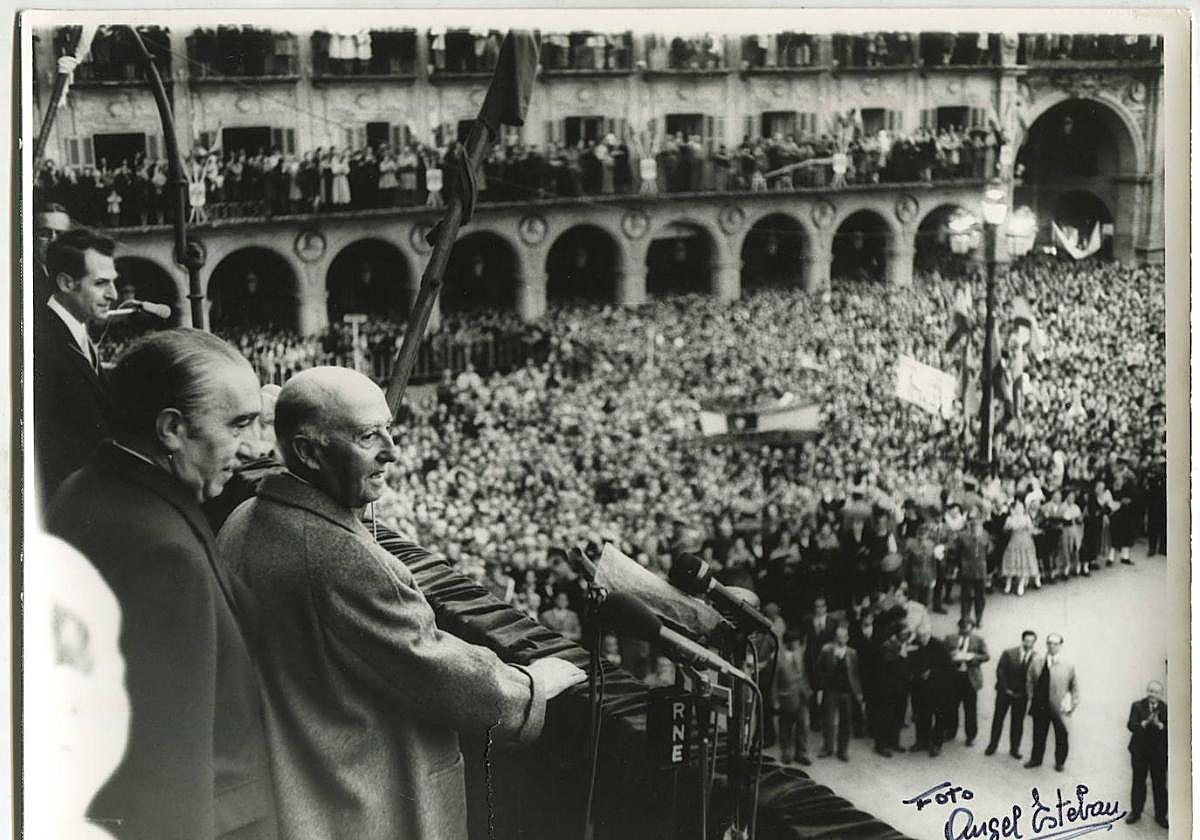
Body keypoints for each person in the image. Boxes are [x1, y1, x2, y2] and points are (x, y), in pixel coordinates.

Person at [216, 367, 585, 840]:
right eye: (368, 436)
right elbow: (440, 673)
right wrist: (533, 686)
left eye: (389, 430)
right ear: (307, 452)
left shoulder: (242, 519)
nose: (392, 451)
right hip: (354, 805)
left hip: (292, 793)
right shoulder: (343, 557)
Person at [45, 329, 279, 840]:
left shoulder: (92, 488)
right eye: (238, 424)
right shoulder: (162, 555)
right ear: (171, 428)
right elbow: (168, 771)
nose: (254, 448)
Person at [33, 228, 118, 508]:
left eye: (113, 282)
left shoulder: (73, 332)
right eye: (101, 283)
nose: (113, 294)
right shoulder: (40, 343)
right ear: (66, 283)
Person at [1025, 632, 1078, 771]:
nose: (1052, 646)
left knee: (1061, 734)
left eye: (1055, 644)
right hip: (1040, 705)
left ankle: (1060, 762)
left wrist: (1072, 705)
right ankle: (1036, 759)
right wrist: (1032, 697)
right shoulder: (1037, 661)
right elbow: (1029, 680)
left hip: (1058, 706)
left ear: (1060, 646)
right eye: (1049, 643)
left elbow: (1074, 686)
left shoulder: (1068, 665)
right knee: (1038, 734)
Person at [813, 623, 863, 761]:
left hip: (846, 692)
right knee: (828, 721)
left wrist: (858, 692)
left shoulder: (852, 653)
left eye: (844, 637)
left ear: (847, 638)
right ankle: (827, 748)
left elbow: (856, 674)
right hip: (830, 691)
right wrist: (821, 688)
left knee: (845, 721)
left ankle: (843, 750)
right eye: (839, 637)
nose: (841, 640)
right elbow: (818, 670)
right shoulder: (826, 650)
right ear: (835, 637)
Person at [986, 630, 1036, 759]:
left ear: (1034, 643)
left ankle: (1014, 748)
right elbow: (1000, 671)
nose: (1028, 644)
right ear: (1022, 640)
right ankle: (992, 745)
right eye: (1026, 640)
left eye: (1031, 641)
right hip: (1005, 692)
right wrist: (1005, 689)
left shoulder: (1036, 657)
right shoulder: (1009, 653)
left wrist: (1028, 693)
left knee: (1017, 722)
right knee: (998, 719)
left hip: (1022, 695)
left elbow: (1034, 677)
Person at [906, 622, 953, 757]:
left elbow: (948, 666)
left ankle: (936, 744)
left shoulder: (939, 646)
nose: (920, 639)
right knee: (921, 716)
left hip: (937, 689)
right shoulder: (915, 644)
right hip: (920, 688)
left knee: (939, 717)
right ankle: (922, 741)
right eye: (919, 636)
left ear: (929, 634)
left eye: (923, 636)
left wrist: (931, 673)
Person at [1126, 681, 1168, 828]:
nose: (1152, 694)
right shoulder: (1137, 706)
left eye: (1155, 692)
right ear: (1147, 691)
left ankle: (1161, 815)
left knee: (1159, 783)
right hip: (1139, 751)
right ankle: (1136, 812)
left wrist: (1159, 725)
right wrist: (1143, 723)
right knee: (1138, 781)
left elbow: (1171, 730)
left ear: (1161, 694)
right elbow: (1130, 725)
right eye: (1150, 691)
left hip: (1158, 753)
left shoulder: (1165, 709)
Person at [943, 617, 989, 746]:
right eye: (962, 628)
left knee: (970, 709)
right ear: (959, 628)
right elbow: (942, 653)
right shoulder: (949, 638)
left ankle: (971, 736)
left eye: (968, 628)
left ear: (972, 629)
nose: (965, 631)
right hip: (954, 677)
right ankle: (950, 731)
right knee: (952, 707)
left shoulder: (978, 640)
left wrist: (973, 657)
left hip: (970, 678)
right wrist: (951, 655)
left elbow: (986, 656)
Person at [773, 630, 813, 766]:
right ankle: (786, 752)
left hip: (802, 696)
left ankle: (802, 753)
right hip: (786, 698)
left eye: (797, 642)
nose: (796, 644)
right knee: (786, 726)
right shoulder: (778, 659)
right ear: (787, 643)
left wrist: (808, 690)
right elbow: (774, 682)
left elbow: (805, 674)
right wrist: (775, 700)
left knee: (803, 725)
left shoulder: (800, 654)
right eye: (794, 642)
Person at [953, 505, 990, 627]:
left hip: (981, 569)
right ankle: (965, 618)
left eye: (978, 522)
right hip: (967, 569)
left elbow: (988, 551)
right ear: (968, 523)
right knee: (966, 595)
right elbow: (957, 553)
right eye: (972, 522)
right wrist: (958, 567)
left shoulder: (985, 535)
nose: (975, 525)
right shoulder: (962, 536)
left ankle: (979, 618)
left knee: (980, 596)